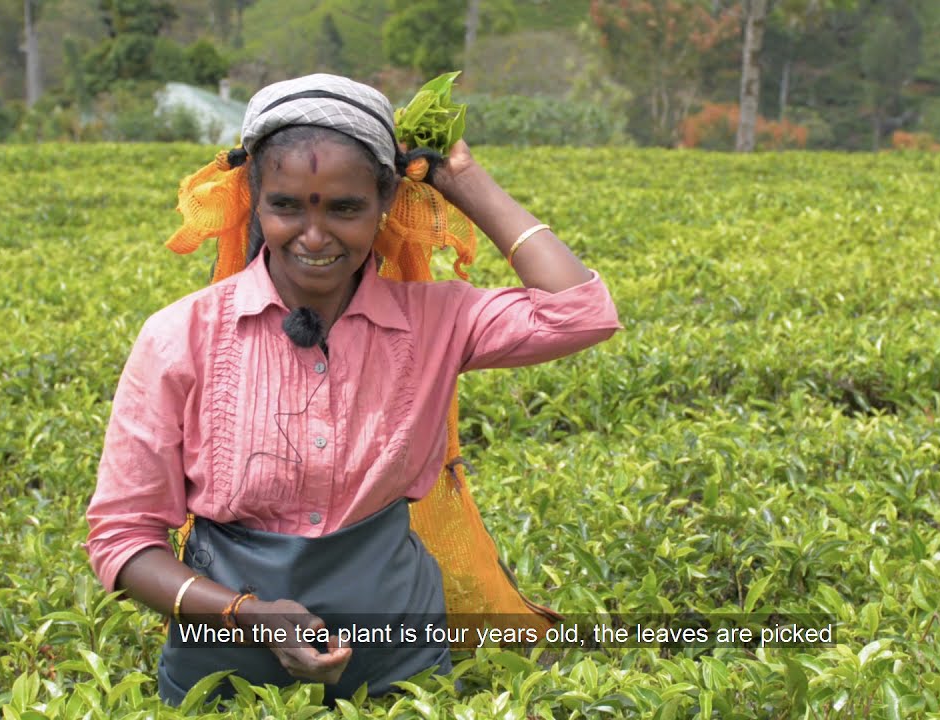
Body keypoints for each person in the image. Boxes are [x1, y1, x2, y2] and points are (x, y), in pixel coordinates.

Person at [84, 74, 620, 705]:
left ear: (384, 203)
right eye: (288, 205)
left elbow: (582, 313)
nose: (314, 237)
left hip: (399, 664)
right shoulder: (181, 336)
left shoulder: (435, 320)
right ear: (254, 200)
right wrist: (242, 613)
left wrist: (462, 181)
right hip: (224, 671)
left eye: (345, 208)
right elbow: (122, 539)